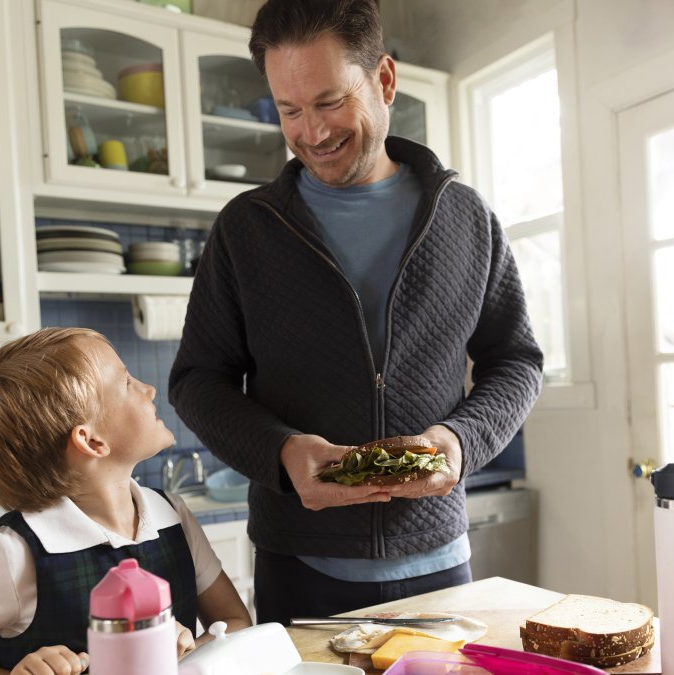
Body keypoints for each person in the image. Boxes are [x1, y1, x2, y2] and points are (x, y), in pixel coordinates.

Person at [167, 0, 543, 625]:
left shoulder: (466, 218)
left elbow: (517, 361)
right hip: (298, 567)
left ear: (385, 81)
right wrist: (283, 453)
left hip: (440, 564)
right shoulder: (247, 229)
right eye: (289, 110)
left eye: (329, 102)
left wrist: (457, 440)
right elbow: (196, 380)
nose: (312, 133)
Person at [0, 327, 251, 674]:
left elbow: (235, 623)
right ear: (91, 441)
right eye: (126, 382)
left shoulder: (171, 514)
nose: (148, 389)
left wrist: (185, 656)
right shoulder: (11, 552)